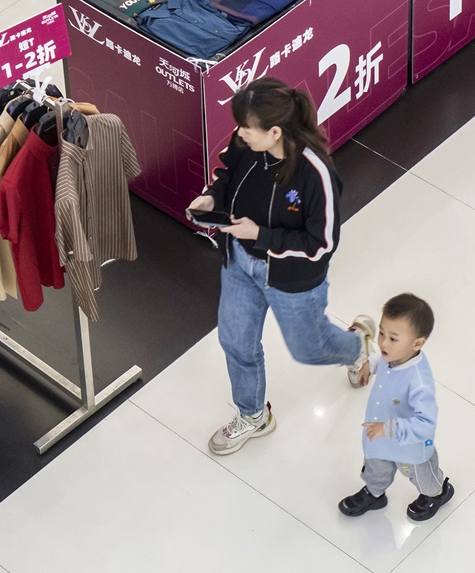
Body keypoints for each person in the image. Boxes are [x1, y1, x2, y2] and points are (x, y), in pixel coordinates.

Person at [189, 77, 375, 456]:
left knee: (310, 349)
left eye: (246, 127)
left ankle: (355, 346)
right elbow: (226, 174)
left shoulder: (315, 173)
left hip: (292, 280)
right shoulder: (246, 143)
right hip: (239, 263)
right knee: (235, 340)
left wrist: (263, 235)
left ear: (275, 132)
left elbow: (322, 244)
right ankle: (253, 415)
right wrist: (212, 198)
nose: (239, 134)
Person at [338, 292, 453, 522]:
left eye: (392, 338)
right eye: (381, 333)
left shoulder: (418, 381)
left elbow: (426, 424)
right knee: (375, 467)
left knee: (422, 477)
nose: (382, 342)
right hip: (378, 435)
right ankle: (374, 493)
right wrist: (368, 367)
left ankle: (438, 493)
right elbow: (379, 357)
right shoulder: (391, 354)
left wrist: (388, 429)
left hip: (409, 446)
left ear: (417, 343)